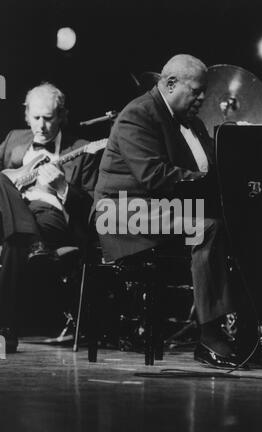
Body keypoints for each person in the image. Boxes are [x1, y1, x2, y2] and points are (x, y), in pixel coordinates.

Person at [94, 54, 240, 369]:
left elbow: (213, 171)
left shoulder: (195, 124)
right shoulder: (139, 114)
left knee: (237, 225)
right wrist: (206, 184)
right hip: (119, 211)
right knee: (207, 225)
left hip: (163, 208)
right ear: (170, 83)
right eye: (196, 90)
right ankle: (210, 334)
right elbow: (153, 176)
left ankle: (255, 332)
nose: (203, 97)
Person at [0, 82, 101, 352]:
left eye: (48, 118)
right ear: (26, 116)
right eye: (36, 118)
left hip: (50, 217)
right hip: (11, 213)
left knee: (13, 241)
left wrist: (63, 187)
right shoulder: (13, 140)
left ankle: (4, 328)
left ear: (62, 116)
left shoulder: (82, 149)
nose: (41, 126)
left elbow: (94, 207)